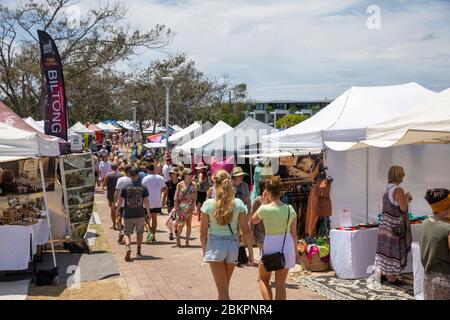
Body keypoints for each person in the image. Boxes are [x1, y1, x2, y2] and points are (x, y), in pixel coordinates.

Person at [200, 169, 254, 300]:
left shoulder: (208, 204)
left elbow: (203, 233)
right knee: (224, 289)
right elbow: (246, 231)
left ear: (214, 184)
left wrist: (204, 251)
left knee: (223, 291)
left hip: (215, 245)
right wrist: (251, 253)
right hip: (232, 245)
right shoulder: (238, 203)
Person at [251, 177, 298, 300]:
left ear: (267, 192)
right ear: (281, 192)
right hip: (286, 245)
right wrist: (296, 251)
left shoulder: (265, 208)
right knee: (280, 284)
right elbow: (294, 234)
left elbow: (254, 220)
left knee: (263, 279)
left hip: (270, 244)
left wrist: (263, 202)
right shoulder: (290, 209)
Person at [374, 166, 412, 285]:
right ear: (399, 175)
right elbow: (403, 208)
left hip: (384, 224)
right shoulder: (398, 190)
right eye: (403, 173)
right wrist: (408, 199)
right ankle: (391, 277)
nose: (404, 174)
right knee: (393, 250)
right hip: (394, 226)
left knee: (384, 250)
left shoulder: (386, 188)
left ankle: (381, 273)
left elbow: (392, 204)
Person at [421, 188, 450, 300]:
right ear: (446, 208)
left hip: (428, 279)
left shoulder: (425, 222)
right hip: (445, 281)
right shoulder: (447, 229)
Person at [117, 167, 150, 261]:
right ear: (138, 175)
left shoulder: (125, 186)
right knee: (139, 233)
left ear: (129, 175)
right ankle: (138, 251)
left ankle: (128, 246)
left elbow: (120, 201)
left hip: (128, 214)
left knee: (127, 233)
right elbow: (146, 201)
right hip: (140, 214)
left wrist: (117, 210)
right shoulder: (143, 186)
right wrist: (148, 213)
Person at [141, 164, 167, 243]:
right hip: (157, 201)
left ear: (148, 170)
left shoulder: (145, 178)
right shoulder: (160, 178)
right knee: (155, 218)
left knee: (146, 218)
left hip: (147, 201)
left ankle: (149, 232)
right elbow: (164, 188)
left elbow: (142, 190)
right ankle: (153, 235)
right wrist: (158, 192)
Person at [174, 168, 197, 247]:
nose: (190, 175)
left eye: (191, 174)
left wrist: (193, 207)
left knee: (189, 224)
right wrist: (176, 207)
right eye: (189, 174)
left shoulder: (194, 184)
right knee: (181, 224)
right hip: (181, 207)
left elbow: (195, 197)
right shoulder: (180, 184)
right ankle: (178, 238)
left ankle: (187, 241)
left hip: (189, 207)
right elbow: (176, 197)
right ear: (185, 175)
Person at [115, 165, 132, 243]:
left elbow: (117, 191)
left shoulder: (120, 179)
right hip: (130, 203)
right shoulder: (132, 180)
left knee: (118, 218)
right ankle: (125, 234)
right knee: (128, 220)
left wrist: (115, 201)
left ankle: (121, 231)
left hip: (120, 202)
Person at [251, 180, 269, 253]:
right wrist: (251, 232)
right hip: (260, 231)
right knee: (263, 254)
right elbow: (252, 217)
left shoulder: (273, 200)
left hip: (269, 231)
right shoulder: (258, 200)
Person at [104, 163, 122, 230]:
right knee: (119, 209)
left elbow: (104, 183)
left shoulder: (108, 174)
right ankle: (119, 223)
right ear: (117, 167)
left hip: (110, 193)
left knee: (112, 209)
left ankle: (114, 225)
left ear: (111, 168)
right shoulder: (120, 175)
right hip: (118, 193)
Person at [165, 167, 181, 240]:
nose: (171, 174)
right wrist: (163, 202)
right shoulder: (168, 182)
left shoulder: (180, 182)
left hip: (178, 202)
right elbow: (166, 192)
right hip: (170, 202)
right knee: (171, 218)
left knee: (176, 218)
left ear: (176, 174)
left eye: (173, 173)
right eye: (170, 173)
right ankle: (171, 232)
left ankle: (176, 229)